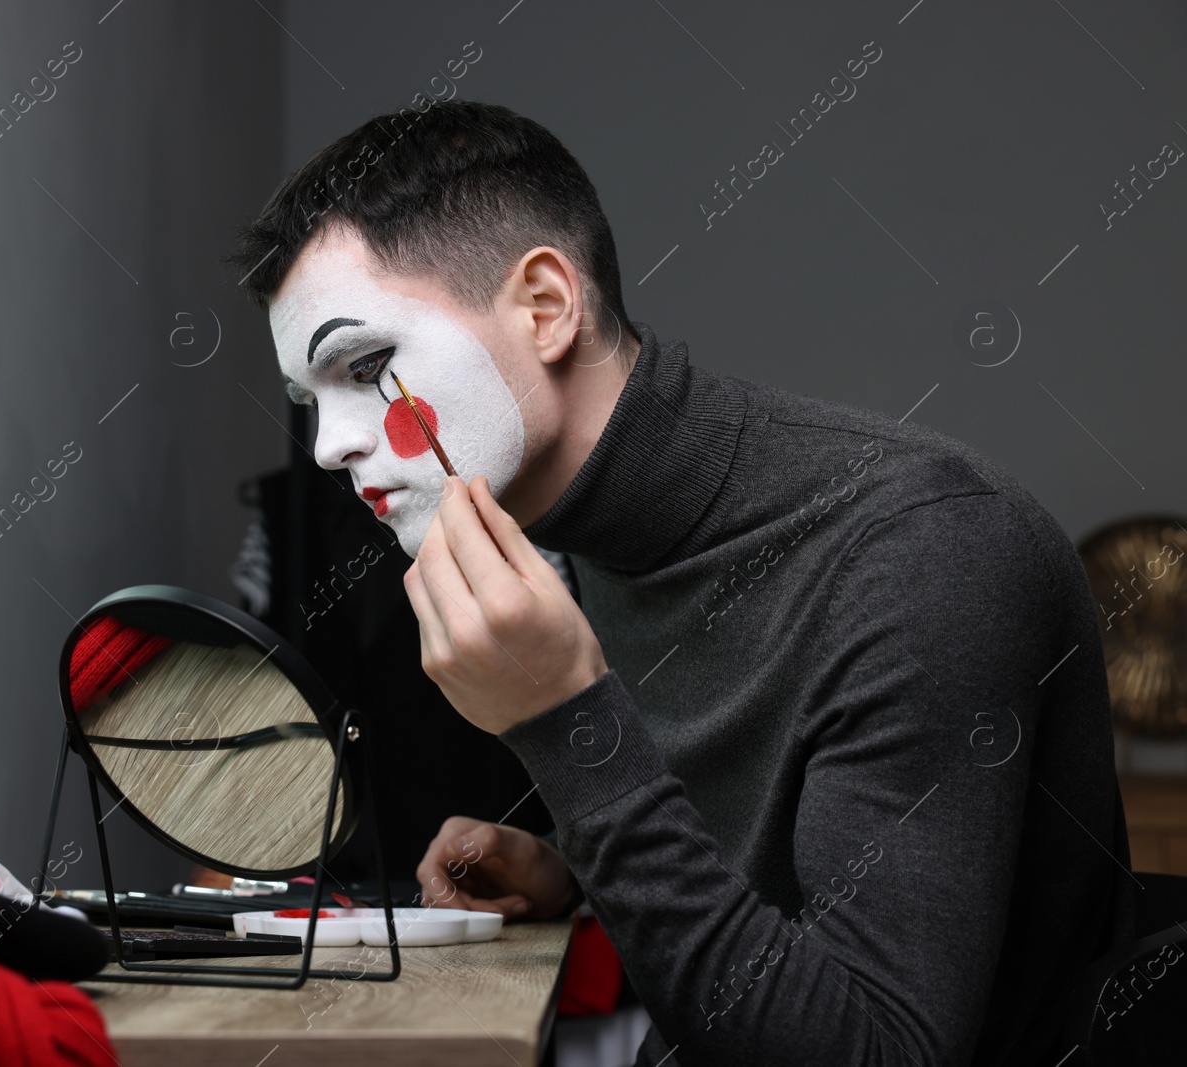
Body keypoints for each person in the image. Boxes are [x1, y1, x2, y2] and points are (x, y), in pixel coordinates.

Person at [227, 100, 1133, 1065]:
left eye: (364, 365)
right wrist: (575, 874)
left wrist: (567, 731)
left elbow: (877, 1050)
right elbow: (770, 882)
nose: (329, 447)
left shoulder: (929, 551)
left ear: (544, 307)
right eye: (308, 398)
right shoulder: (583, 541)